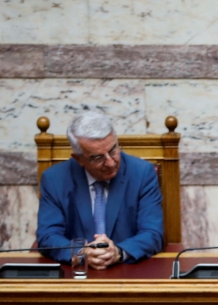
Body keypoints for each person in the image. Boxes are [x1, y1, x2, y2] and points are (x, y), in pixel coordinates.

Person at [36, 112, 164, 267]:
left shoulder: (142, 173)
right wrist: (80, 253)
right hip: (76, 275)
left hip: (128, 272)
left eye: (113, 151)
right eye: (97, 158)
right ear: (78, 159)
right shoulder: (54, 179)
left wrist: (118, 252)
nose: (110, 163)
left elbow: (153, 233)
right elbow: (48, 236)